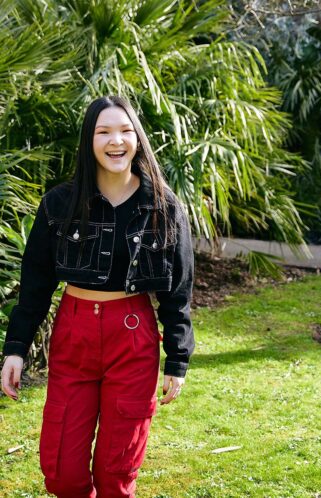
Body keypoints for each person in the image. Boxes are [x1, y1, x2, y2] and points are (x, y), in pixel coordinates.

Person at [1, 95, 194, 497]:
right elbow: (35, 282)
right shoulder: (60, 203)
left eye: (125, 130)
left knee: (116, 469)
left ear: (138, 139)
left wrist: (177, 357)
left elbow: (177, 289)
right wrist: (16, 347)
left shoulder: (162, 205)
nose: (116, 141)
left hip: (133, 335)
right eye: (103, 131)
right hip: (75, 335)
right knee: (63, 470)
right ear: (89, 141)